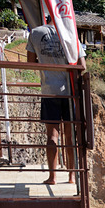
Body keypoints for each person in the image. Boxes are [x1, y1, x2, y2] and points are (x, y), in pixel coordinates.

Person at [26, 20, 85, 185]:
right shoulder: (71, 33)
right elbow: (82, 65)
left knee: (52, 136)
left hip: (49, 91)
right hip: (68, 92)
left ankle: (52, 177)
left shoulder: (36, 33)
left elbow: (30, 63)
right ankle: (72, 177)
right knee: (70, 136)